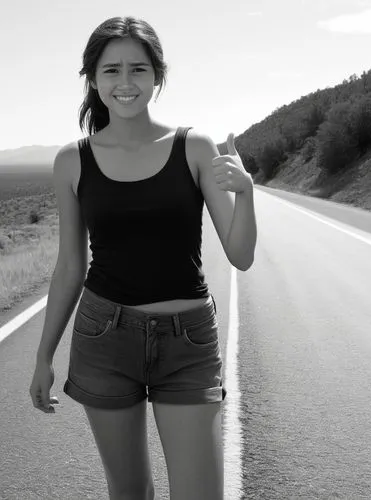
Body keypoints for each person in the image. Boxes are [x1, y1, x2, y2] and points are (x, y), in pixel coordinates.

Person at [29, 15, 257, 500]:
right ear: (93, 78)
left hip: (187, 343)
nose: (126, 83)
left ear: (158, 75)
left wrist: (248, 193)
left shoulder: (193, 146)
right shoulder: (72, 160)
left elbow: (240, 256)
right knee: (129, 492)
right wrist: (44, 356)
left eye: (139, 69)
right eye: (111, 70)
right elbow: (71, 265)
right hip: (104, 339)